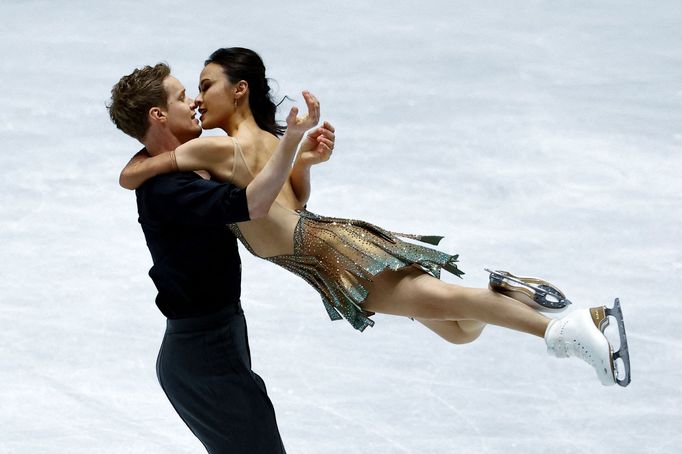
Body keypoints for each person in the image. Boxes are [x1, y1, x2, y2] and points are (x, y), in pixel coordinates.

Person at [119, 48, 631, 388]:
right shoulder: (272, 144)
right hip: (324, 245)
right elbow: (293, 202)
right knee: (457, 330)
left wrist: (297, 148)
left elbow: (144, 168)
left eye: (205, 86)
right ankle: (512, 291)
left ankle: (569, 330)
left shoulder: (216, 148)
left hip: (326, 253)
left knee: (450, 302)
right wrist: (301, 157)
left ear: (239, 90)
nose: (197, 99)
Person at [108, 62, 331, 453]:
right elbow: (256, 203)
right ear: (158, 115)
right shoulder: (169, 188)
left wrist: (303, 163)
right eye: (181, 97)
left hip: (217, 340)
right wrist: (291, 140)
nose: (194, 101)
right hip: (203, 353)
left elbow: (280, 201)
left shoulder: (179, 167)